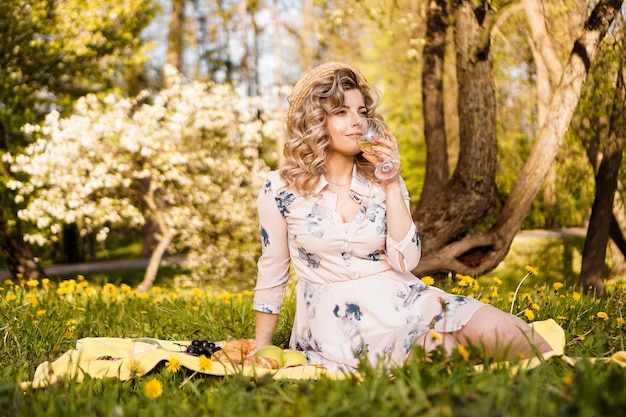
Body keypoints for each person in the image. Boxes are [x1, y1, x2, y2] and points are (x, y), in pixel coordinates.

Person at [253, 62, 552, 372]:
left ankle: (572, 370)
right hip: (340, 323)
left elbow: (405, 262)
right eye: (342, 112)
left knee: (494, 326)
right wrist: (262, 347)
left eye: (362, 111)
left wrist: (392, 182)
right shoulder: (279, 187)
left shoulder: (382, 179)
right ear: (316, 121)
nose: (357, 121)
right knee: (439, 351)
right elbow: (273, 270)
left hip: (404, 298)